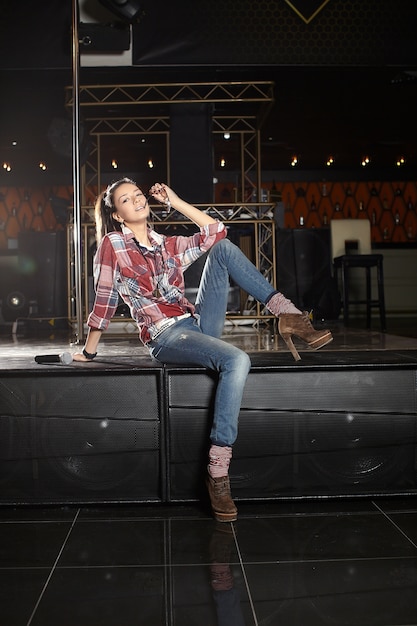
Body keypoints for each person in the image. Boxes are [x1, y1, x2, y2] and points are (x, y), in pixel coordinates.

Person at [73, 178, 333, 522]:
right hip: (165, 336)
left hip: (194, 326)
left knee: (223, 249)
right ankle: (218, 469)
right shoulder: (112, 244)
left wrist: (176, 200)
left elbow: (216, 231)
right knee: (237, 359)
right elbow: (104, 298)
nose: (136, 199)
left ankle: (288, 314)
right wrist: (89, 352)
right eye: (126, 199)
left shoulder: (165, 244)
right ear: (117, 214)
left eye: (137, 194)